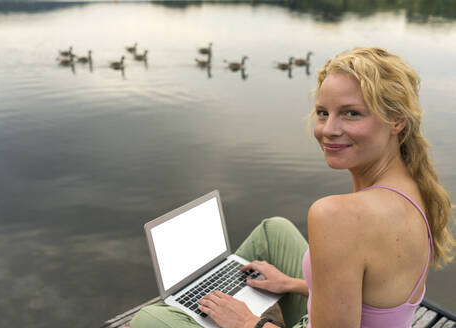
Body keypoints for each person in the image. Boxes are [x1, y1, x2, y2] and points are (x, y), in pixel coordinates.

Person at [129, 47, 456, 328]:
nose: (329, 129)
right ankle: (202, 300)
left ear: (396, 120)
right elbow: (372, 294)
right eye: (323, 112)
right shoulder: (415, 187)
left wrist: (248, 322)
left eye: (351, 114)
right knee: (274, 230)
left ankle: (189, 311)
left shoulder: (338, 216)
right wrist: (294, 285)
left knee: (148, 320)